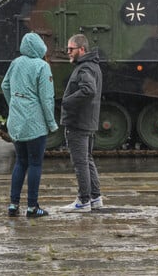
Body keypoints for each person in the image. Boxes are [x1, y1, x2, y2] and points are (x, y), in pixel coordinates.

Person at [1, 32, 58, 218]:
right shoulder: (42, 66)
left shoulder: (15, 63)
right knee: (35, 164)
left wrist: (14, 105)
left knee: (20, 162)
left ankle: (13, 204)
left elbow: (5, 85)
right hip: (35, 124)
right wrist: (51, 123)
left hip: (16, 122)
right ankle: (33, 207)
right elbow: (47, 98)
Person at [60, 34, 104, 212]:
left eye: (71, 49)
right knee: (87, 160)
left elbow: (89, 90)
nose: (68, 52)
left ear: (82, 49)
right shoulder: (93, 66)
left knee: (80, 163)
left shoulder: (84, 68)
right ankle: (95, 197)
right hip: (87, 120)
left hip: (78, 122)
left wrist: (67, 101)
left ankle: (83, 200)